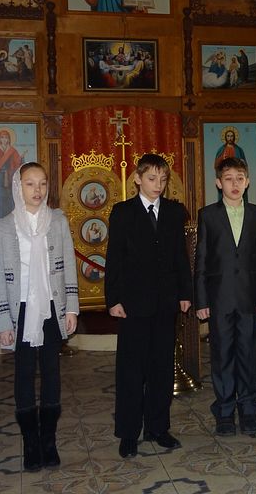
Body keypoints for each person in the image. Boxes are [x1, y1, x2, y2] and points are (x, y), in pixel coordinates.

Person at [0, 162, 79, 472]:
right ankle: (30, 442)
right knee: (25, 373)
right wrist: (3, 321)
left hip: (51, 306)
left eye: (42, 183)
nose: (37, 190)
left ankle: (48, 440)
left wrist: (71, 307)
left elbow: (68, 264)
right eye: (30, 184)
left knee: (52, 372)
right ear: (19, 187)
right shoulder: (4, 227)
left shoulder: (57, 221)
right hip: (21, 310)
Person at [105, 154, 192, 458]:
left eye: (163, 179)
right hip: (133, 303)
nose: (158, 185)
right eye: (152, 179)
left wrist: (185, 292)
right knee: (131, 371)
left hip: (165, 302)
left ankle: (158, 427)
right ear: (138, 179)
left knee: (161, 368)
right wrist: (113, 299)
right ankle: (128, 432)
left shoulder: (173, 212)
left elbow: (180, 256)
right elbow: (114, 258)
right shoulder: (123, 213)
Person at [194, 157, 256, 436]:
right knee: (222, 354)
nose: (234, 184)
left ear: (247, 182)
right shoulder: (208, 215)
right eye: (228, 179)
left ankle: (249, 408)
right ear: (219, 183)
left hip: (249, 298)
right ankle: (225, 411)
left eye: (240, 178)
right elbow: (202, 261)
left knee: (248, 354)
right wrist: (202, 300)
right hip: (220, 299)